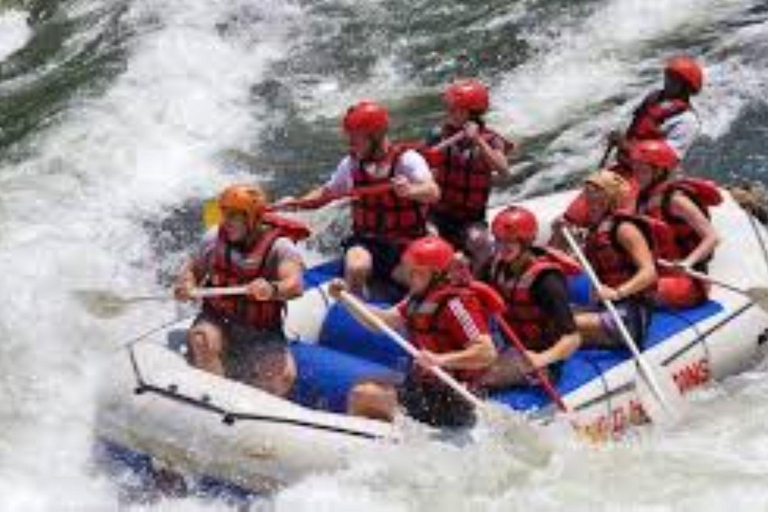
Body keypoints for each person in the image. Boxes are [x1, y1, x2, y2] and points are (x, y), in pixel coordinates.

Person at [331, 236, 497, 428]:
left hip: (452, 397)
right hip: (425, 389)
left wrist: (441, 360)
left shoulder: (456, 305)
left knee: (366, 394)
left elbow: (487, 353)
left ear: (436, 274)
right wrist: (347, 299)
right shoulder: (417, 299)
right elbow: (380, 322)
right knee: (364, 387)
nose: (409, 277)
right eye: (410, 271)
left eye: (416, 272)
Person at [297, 100, 439, 297]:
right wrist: (295, 205)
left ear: (376, 137)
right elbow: (326, 193)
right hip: (366, 242)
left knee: (423, 282)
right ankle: (354, 313)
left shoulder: (407, 160)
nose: (351, 143)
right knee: (356, 267)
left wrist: (410, 190)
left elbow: (432, 192)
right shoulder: (351, 164)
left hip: (404, 245)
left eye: (356, 138)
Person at [174, 184, 304, 397]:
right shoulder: (214, 238)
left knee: (283, 377)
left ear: (253, 218)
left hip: (261, 330)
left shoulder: (280, 246)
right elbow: (192, 269)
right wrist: (186, 285)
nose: (227, 221)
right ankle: (215, 400)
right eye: (225, 213)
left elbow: (295, 285)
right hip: (219, 320)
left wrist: (271, 289)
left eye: (235, 216)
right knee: (202, 339)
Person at [478, 206, 582, 389]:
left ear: (525, 242)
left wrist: (542, 359)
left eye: (509, 242)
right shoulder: (494, 266)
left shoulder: (546, 280)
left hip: (544, 356)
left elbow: (572, 339)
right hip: (512, 348)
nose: (502, 247)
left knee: (478, 380)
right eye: (499, 241)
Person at [425, 79, 514, 264]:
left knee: (479, 241)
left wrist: (478, 142)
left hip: (471, 219)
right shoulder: (437, 136)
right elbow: (425, 169)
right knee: (429, 238)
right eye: (449, 107)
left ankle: (475, 286)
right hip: (438, 215)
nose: (448, 112)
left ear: (470, 113)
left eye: (454, 108)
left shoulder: (491, 140)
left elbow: (504, 170)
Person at [572, 171, 658, 349]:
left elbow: (649, 272)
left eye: (597, 198)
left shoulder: (625, 229)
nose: (591, 203)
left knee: (559, 326)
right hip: (607, 307)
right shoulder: (595, 231)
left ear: (610, 199)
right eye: (588, 198)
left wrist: (618, 293)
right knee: (550, 318)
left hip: (631, 315)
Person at [631, 140, 721, 308]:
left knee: (631, 290)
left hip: (689, 280)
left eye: (642, 170)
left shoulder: (675, 200)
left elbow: (712, 237)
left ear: (659, 171)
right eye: (635, 168)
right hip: (659, 271)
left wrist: (688, 262)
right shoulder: (643, 199)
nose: (636, 174)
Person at [610, 55, 704, 162]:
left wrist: (626, 147)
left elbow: (668, 157)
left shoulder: (687, 120)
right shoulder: (654, 99)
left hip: (649, 175)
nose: (667, 81)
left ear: (686, 87)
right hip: (627, 163)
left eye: (674, 79)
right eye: (668, 76)